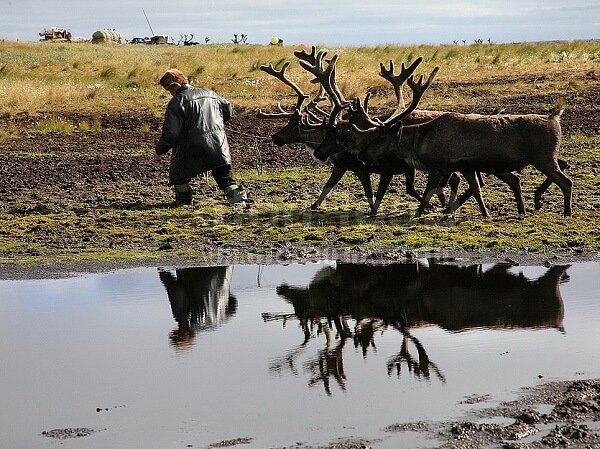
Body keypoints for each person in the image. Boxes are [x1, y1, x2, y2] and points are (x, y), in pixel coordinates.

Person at [153, 68, 249, 207]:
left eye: (169, 91)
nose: (170, 94)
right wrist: (217, 126)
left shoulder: (177, 102)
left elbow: (171, 133)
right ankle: (239, 201)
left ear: (174, 87)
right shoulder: (211, 93)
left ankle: (184, 201)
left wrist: (159, 150)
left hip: (190, 147)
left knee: (179, 174)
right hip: (218, 143)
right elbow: (227, 109)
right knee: (224, 176)